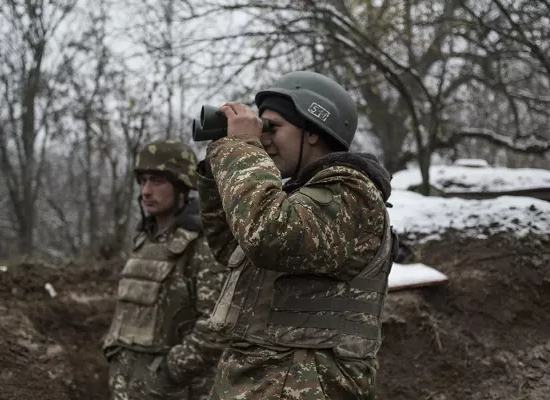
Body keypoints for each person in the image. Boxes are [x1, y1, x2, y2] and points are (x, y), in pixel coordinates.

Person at [196, 71, 399, 399]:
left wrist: (242, 150)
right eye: (259, 129)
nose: (262, 139)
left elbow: (267, 236)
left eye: (271, 127)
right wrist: (220, 162)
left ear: (314, 131)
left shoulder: (352, 194)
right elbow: (232, 248)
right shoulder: (293, 199)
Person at [103, 139, 229, 400]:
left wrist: (169, 372)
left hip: (173, 390)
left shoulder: (201, 245)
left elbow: (217, 327)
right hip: (127, 387)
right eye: (143, 181)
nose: (146, 191)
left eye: (157, 182)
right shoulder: (143, 240)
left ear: (181, 186)